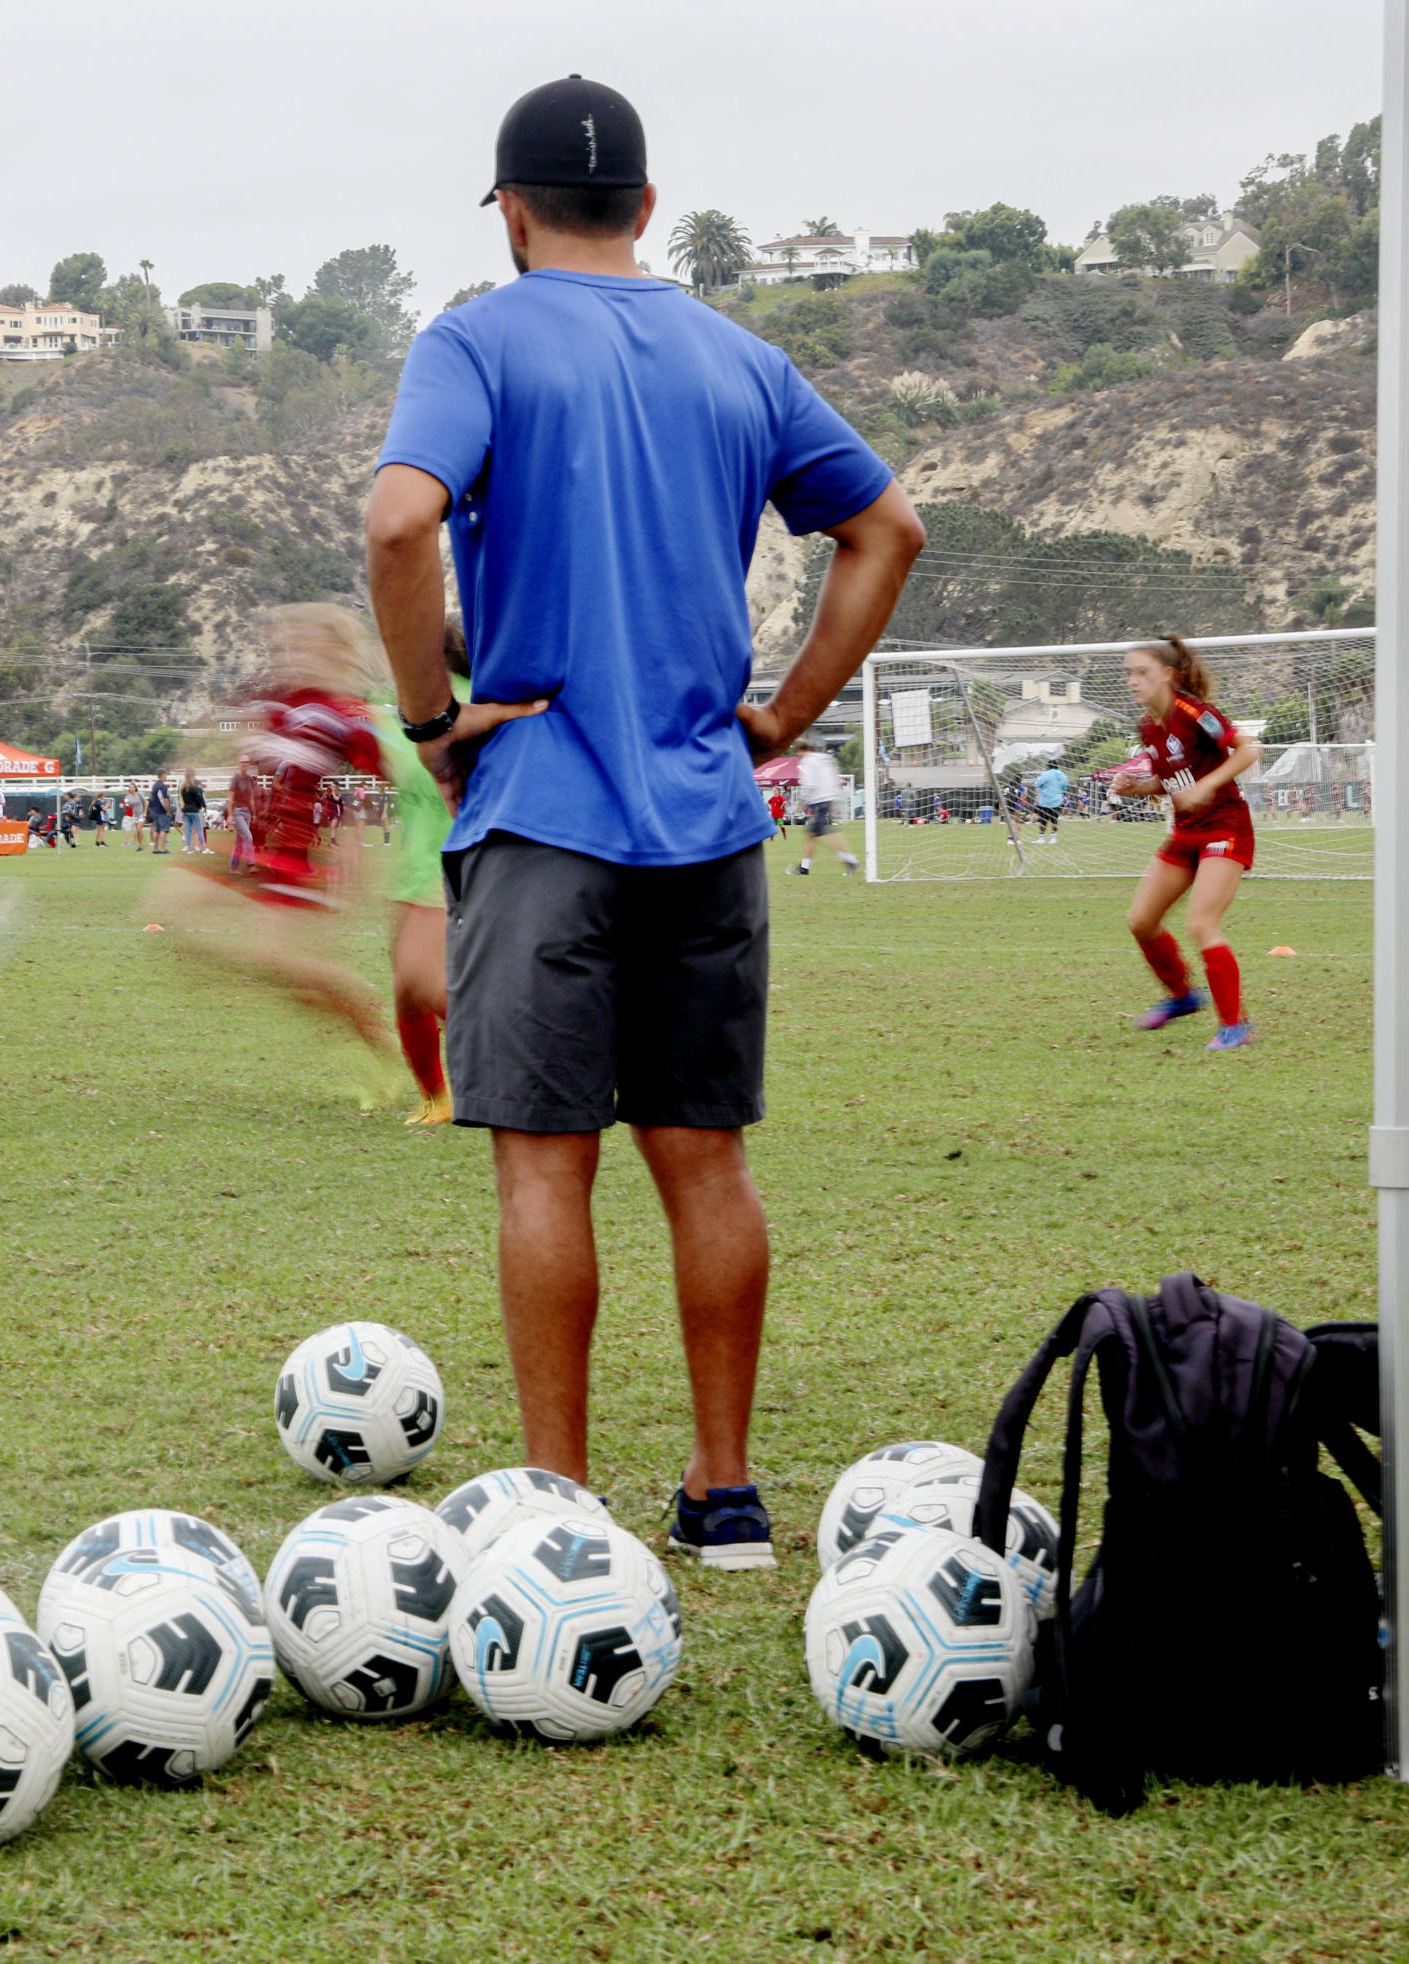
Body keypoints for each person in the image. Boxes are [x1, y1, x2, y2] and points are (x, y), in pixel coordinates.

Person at [365, 75, 923, 1569]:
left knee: (546, 1166)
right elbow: (888, 531)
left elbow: (398, 521)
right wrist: (788, 714)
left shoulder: (476, 338)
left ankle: (559, 1507)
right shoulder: (744, 358)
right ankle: (726, 1494)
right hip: (705, 816)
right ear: (651, 210)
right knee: (707, 1160)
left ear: (514, 212)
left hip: (541, 805)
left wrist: (431, 722)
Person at [146, 605, 394, 1067]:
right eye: (287, 644)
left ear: (336, 650)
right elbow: (230, 733)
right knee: (163, 911)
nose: (291, 652)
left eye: (303, 643)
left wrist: (358, 855)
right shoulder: (281, 702)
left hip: (297, 852)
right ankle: (314, 990)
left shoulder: (350, 716)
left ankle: (356, 1003)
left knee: (274, 960)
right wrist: (192, 756)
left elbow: (390, 780)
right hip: (248, 841)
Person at [1116, 635, 1263, 1051]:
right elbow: (1174, 780)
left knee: (1201, 923)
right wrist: (1139, 787)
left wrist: (1207, 786)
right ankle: (1182, 996)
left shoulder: (1194, 712)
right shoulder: (1148, 725)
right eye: (1128, 673)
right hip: (1185, 832)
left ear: (1168, 675)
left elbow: (1248, 750)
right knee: (1141, 921)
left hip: (1225, 826)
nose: (1132, 681)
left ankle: (1237, 1025)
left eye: (1141, 672)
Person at [373, 622, 472, 1125]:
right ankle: (437, 1099)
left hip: (464, 863)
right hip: (415, 870)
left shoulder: (472, 704)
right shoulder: (395, 713)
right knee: (406, 991)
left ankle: (532, 1061)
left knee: (420, 977)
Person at [789, 740, 857, 876]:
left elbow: (809, 784)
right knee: (812, 834)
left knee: (824, 834)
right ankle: (804, 867)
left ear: (800, 751)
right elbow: (834, 779)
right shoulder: (825, 759)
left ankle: (850, 860)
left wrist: (802, 801)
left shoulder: (807, 762)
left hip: (819, 801)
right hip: (828, 799)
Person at [1031, 758, 1070, 841]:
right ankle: (1053, 838)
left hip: (1044, 801)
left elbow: (1037, 784)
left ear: (1048, 766)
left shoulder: (1046, 774)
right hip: (1057, 801)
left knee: (1043, 821)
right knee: (1054, 820)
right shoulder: (1063, 775)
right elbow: (1065, 787)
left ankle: (1041, 839)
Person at [180, 771, 209, 853]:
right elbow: (199, 799)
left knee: (188, 830)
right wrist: (202, 806)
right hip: (194, 810)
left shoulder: (183, 788)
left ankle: (189, 848)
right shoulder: (194, 788)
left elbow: (184, 800)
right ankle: (204, 848)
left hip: (186, 810)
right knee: (199, 829)